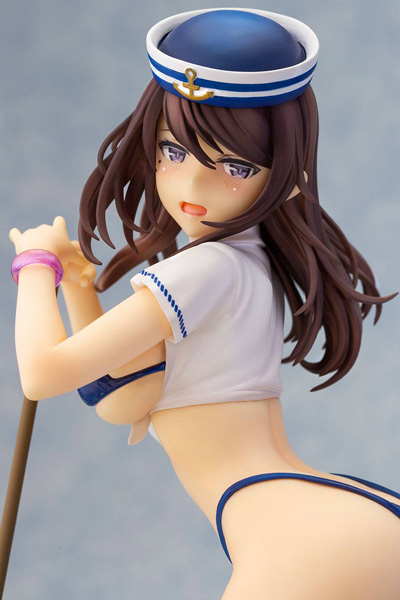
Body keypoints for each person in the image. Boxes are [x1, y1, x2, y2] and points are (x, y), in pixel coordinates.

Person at [9, 9, 400, 599]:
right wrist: (79, 282)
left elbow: (43, 374)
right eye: (174, 152)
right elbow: (122, 396)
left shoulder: (203, 270)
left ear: (285, 175)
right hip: (329, 512)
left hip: (293, 536)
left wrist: (35, 266)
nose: (193, 187)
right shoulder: (251, 264)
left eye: (236, 167)